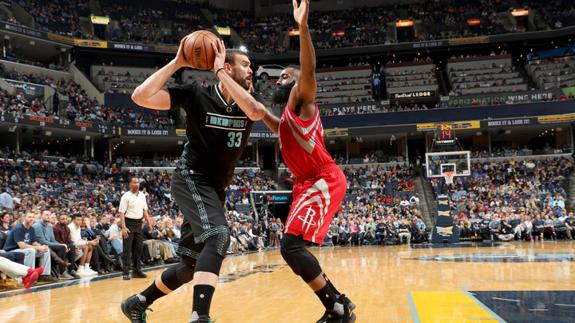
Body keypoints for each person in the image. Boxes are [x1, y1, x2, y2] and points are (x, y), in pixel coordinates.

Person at [209, 1, 355, 321]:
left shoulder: (301, 100)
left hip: (323, 178)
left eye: (285, 76)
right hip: (307, 184)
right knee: (289, 249)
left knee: (290, 247)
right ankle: (339, 302)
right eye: (278, 77)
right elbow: (265, 116)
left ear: (297, 81)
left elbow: (309, 70)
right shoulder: (287, 118)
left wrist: (302, 29)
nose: (279, 80)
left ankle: (337, 308)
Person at [121, 28, 255, 323]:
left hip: (216, 186)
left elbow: (256, 113)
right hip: (191, 176)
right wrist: (177, 63)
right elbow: (140, 96)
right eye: (246, 65)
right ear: (227, 67)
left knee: (190, 266)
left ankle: (138, 301)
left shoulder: (248, 102)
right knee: (219, 237)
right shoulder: (197, 94)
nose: (251, 71)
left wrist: (220, 72)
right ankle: (200, 317)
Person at [3, 212, 55, 282]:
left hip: (24, 250)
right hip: (12, 250)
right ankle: (28, 275)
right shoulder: (18, 228)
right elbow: (22, 246)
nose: (31, 219)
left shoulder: (31, 229)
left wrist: (42, 247)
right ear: (25, 218)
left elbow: (34, 242)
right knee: (31, 250)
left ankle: (44, 275)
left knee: (46, 250)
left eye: (33, 217)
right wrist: (38, 248)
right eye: (29, 217)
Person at [118, 177, 152, 280]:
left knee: (138, 248)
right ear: (130, 184)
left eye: (137, 182)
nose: (136, 184)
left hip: (139, 224)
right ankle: (126, 272)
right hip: (128, 223)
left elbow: (145, 210)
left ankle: (137, 271)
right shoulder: (125, 196)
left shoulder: (142, 195)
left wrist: (149, 223)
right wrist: (123, 228)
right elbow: (121, 213)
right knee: (127, 249)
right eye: (134, 182)